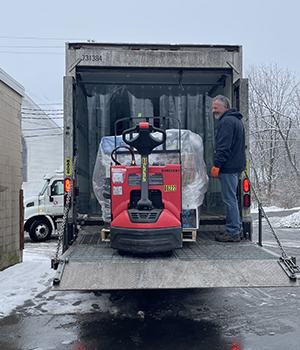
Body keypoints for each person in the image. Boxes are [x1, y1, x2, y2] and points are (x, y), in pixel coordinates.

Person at [211, 95, 246, 242]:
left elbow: (224, 148)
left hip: (228, 167)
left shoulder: (226, 122)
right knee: (232, 198)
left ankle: (233, 231)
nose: (213, 111)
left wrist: (217, 166)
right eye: (213, 108)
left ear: (225, 107)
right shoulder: (237, 121)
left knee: (229, 199)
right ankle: (237, 228)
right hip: (236, 166)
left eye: (216, 108)